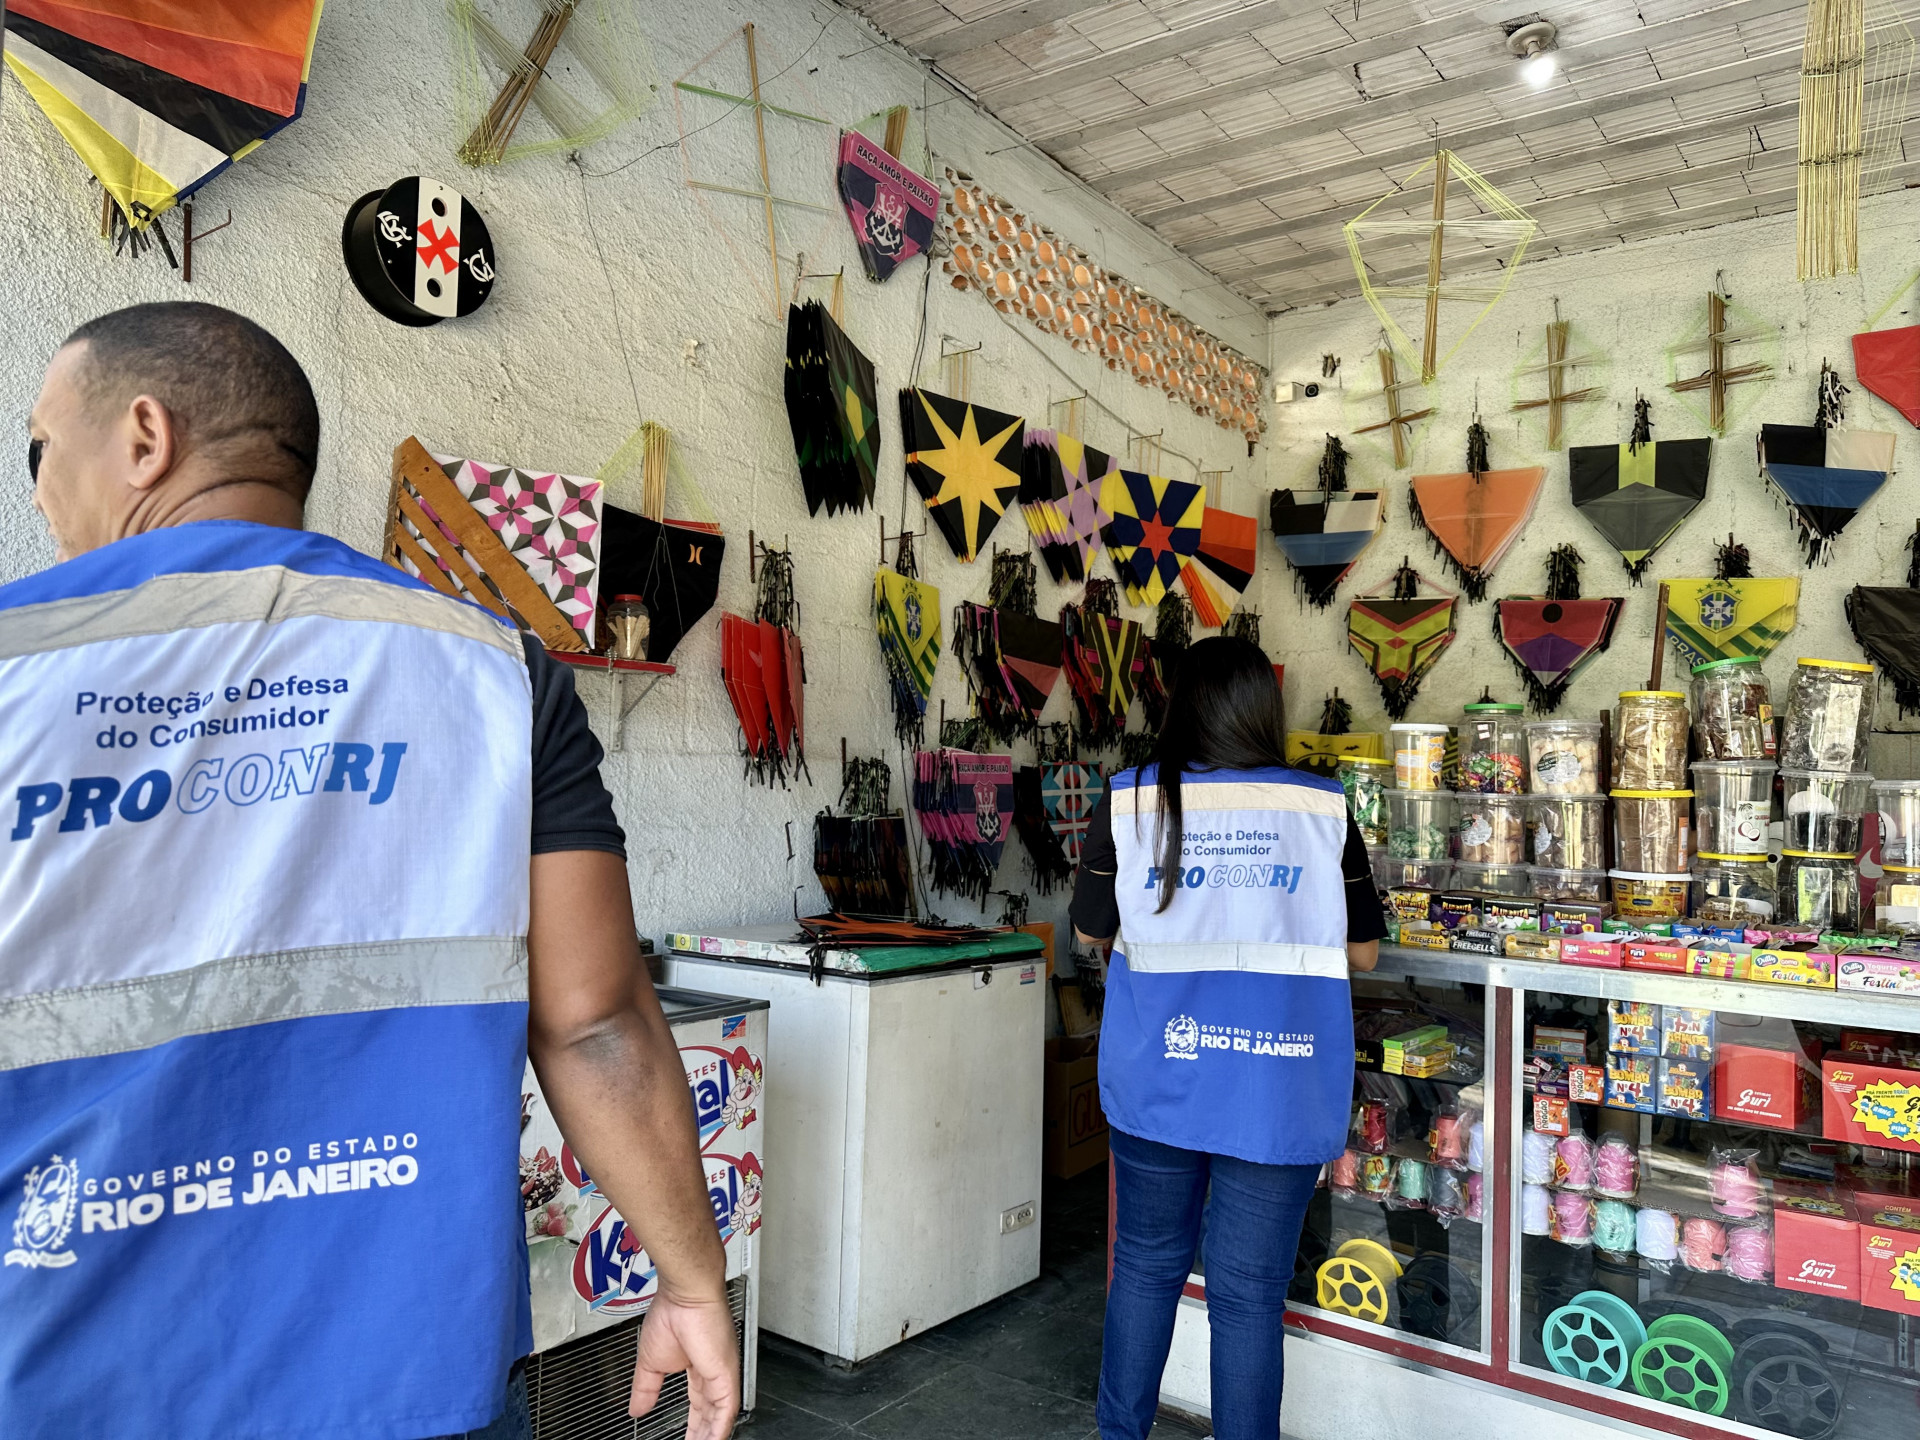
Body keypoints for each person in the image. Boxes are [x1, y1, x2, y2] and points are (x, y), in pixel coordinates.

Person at [1, 302, 738, 1440]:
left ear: (145, 437)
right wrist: (690, 1281)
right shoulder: (492, 670)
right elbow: (594, 1020)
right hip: (414, 1370)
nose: (40, 490)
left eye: (40, 448)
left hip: (65, 1369)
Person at [1069, 636, 1384, 1440]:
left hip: (1161, 1072)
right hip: (1274, 1085)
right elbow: (1363, 954)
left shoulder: (1129, 801)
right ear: (1264, 711)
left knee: (1145, 1267)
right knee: (1247, 1298)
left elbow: (1090, 931)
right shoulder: (1321, 808)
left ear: (1179, 708)